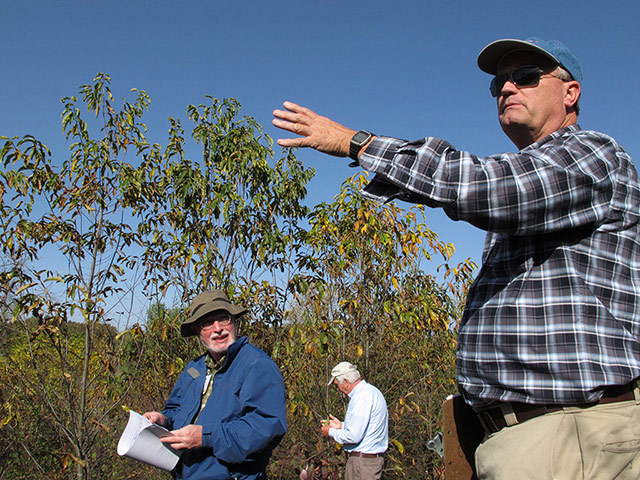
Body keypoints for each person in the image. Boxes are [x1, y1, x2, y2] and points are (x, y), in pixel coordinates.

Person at [273, 37, 640, 479]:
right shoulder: (533, 193)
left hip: (574, 436)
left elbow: (482, 185)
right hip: (527, 437)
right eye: (498, 84)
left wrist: (357, 143)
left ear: (570, 93)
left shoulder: (592, 154)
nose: (506, 88)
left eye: (524, 76)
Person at [143, 290, 287, 480]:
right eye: (207, 323)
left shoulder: (257, 365)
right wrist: (163, 419)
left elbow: (267, 426)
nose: (217, 328)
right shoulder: (194, 368)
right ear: (197, 331)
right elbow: (176, 409)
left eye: (223, 319)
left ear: (234, 322)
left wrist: (206, 436)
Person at [321, 362, 388, 480]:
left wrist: (330, 432)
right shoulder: (371, 392)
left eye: (337, 384)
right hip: (368, 462)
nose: (337, 388)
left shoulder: (361, 397)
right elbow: (365, 426)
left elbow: (354, 436)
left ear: (346, 382)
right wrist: (341, 426)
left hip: (363, 464)